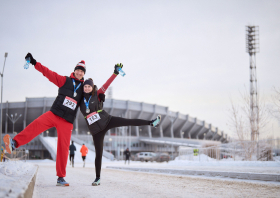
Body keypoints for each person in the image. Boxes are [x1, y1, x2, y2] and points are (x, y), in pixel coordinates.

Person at [3, 53, 85, 186]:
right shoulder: (65, 80)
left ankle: (61, 177)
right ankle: (14, 143)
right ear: (74, 70)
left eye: (82, 71)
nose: (79, 73)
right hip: (54, 114)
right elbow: (48, 73)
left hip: (67, 121)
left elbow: (93, 97)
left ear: (83, 73)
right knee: (36, 125)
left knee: (63, 148)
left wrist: (99, 98)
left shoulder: (83, 88)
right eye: (78, 70)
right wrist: (35, 63)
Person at [80, 63, 161, 186]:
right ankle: (97, 178)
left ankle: (151, 123)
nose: (86, 88)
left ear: (92, 87)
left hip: (107, 120)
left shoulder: (97, 94)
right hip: (96, 130)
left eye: (88, 87)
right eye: (85, 86)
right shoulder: (80, 100)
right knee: (99, 154)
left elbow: (107, 84)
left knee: (128, 121)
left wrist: (115, 73)